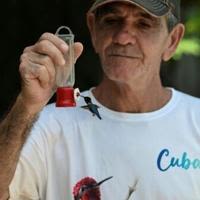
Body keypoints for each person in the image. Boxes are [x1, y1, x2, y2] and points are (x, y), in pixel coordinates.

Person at [0, 0, 200, 199]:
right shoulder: (46, 125)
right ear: (93, 29)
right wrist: (27, 106)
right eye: (112, 20)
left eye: (143, 24)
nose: (122, 38)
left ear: (172, 40)